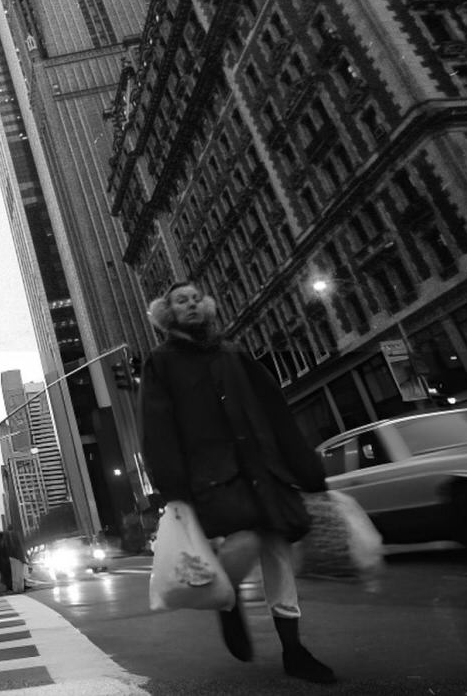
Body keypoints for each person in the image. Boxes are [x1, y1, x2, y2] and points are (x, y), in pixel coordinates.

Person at [140, 281, 336, 684]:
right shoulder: (161, 362)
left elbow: (275, 410)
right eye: (182, 301)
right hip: (213, 476)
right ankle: (227, 604)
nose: (191, 305)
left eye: (196, 299)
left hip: (265, 469)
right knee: (244, 539)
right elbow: (157, 429)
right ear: (168, 312)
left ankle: (294, 650)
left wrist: (306, 468)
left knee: (278, 551)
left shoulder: (234, 354)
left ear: (207, 306)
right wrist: (173, 489)